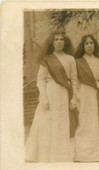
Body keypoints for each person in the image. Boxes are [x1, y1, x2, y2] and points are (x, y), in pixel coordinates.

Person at [25, 29, 77, 162]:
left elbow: (74, 79)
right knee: (47, 124)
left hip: (65, 94)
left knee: (63, 124)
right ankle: (48, 157)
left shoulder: (70, 59)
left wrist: (74, 97)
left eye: (62, 40)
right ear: (52, 42)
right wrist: (43, 97)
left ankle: (62, 157)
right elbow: (41, 79)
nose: (59, 42)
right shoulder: (47, 59)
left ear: (65, 42)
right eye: (56, 39)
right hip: (50, 93)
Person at [74, 34, 99, 162]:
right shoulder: (77, 62)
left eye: (91, 43)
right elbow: (76, 81)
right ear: (83, 46)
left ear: (94, 46)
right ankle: (83, 155)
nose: (89, 46)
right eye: (86, 43)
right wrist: (77, 95)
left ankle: (97, 155)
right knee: (84, 122)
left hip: (97, 95)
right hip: (84, 95)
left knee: (96, 122)